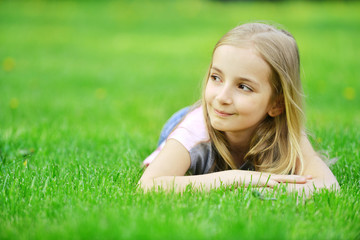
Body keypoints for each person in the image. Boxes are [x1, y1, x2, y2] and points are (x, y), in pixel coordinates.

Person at [138, 22, 339, 195]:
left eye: (243, 87)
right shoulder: (194, 131)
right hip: (190, 119)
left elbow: (328, 185)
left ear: (276, 104)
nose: (222, 97)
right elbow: (148, 185)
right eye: (216, 77)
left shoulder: (284, 132)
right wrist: (238, 178)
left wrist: (286, 190)